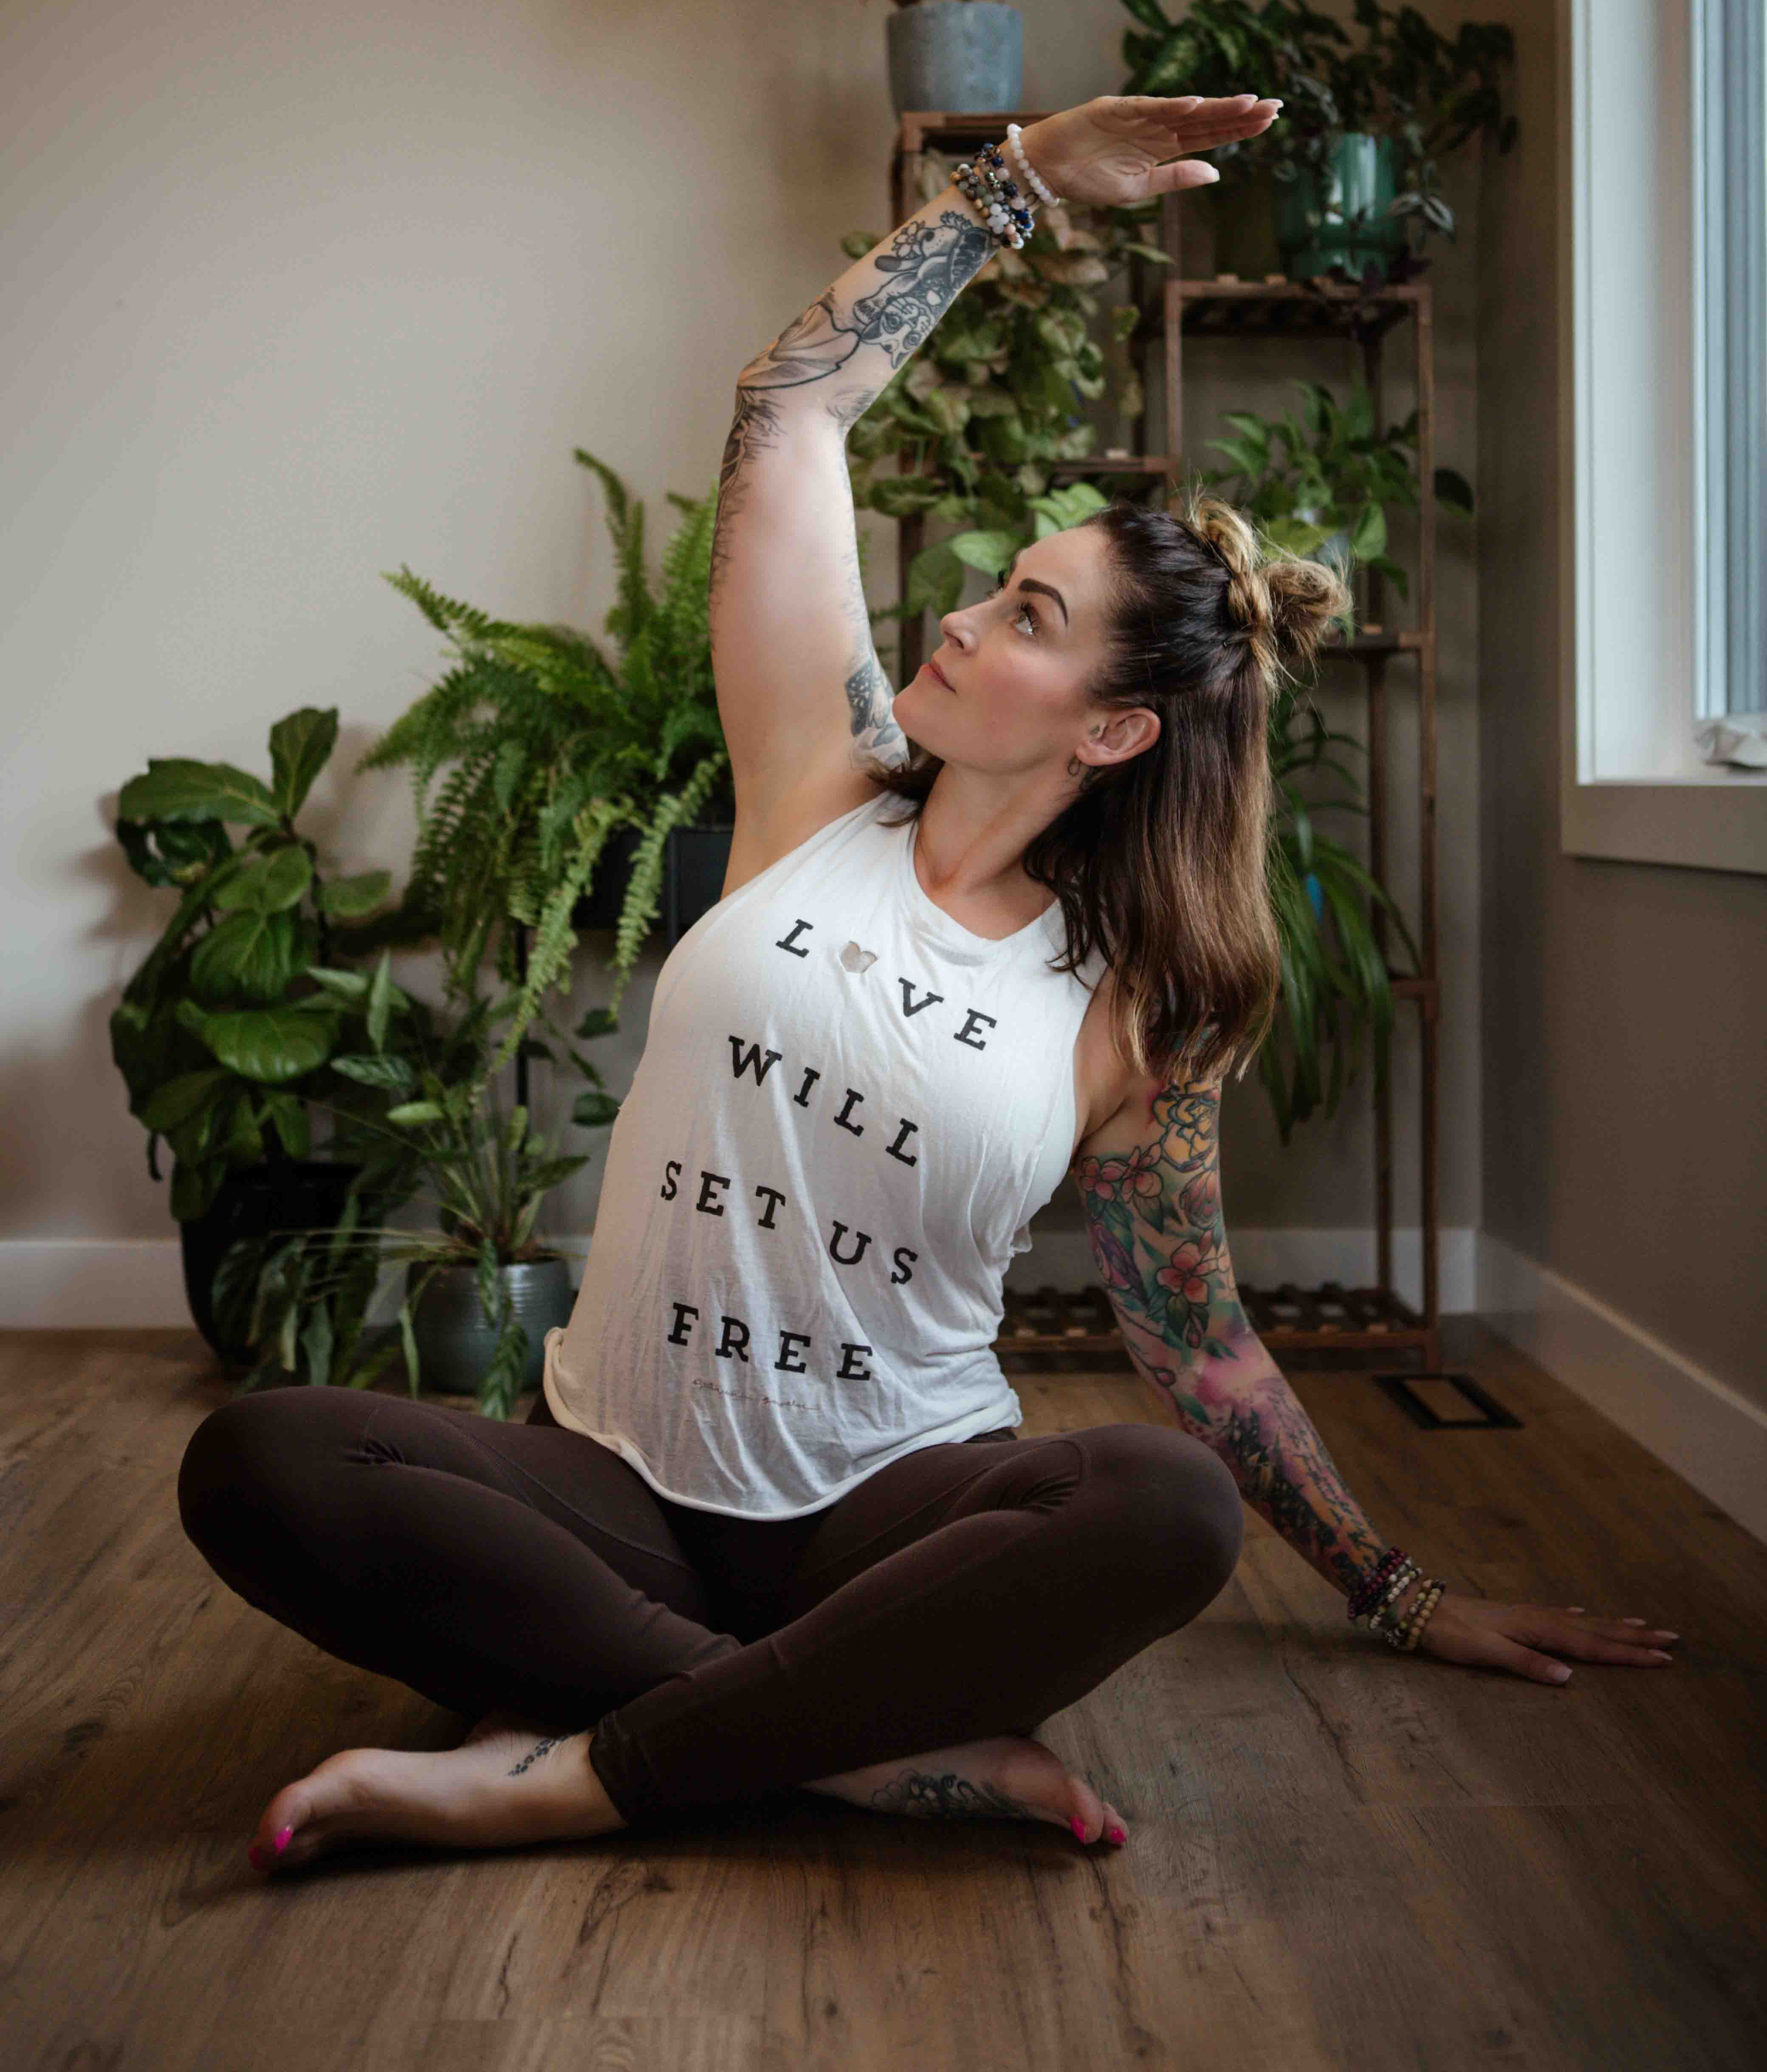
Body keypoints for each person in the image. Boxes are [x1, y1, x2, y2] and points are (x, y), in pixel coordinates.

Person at [177, 92, 1680, 1884]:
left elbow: (1195, 1341)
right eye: (997, 589)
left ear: (1112, 733)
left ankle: (572, 1769)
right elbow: (791, 407)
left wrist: (1398, 1589)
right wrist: (1015, 184)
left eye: (1030, 618)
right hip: (615, 1488)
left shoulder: (1136, 1005)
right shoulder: (817, 783)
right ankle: (840, 1751)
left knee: (1161, 1507)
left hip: (884, 1521)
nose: (961, 617)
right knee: (260, 1461)